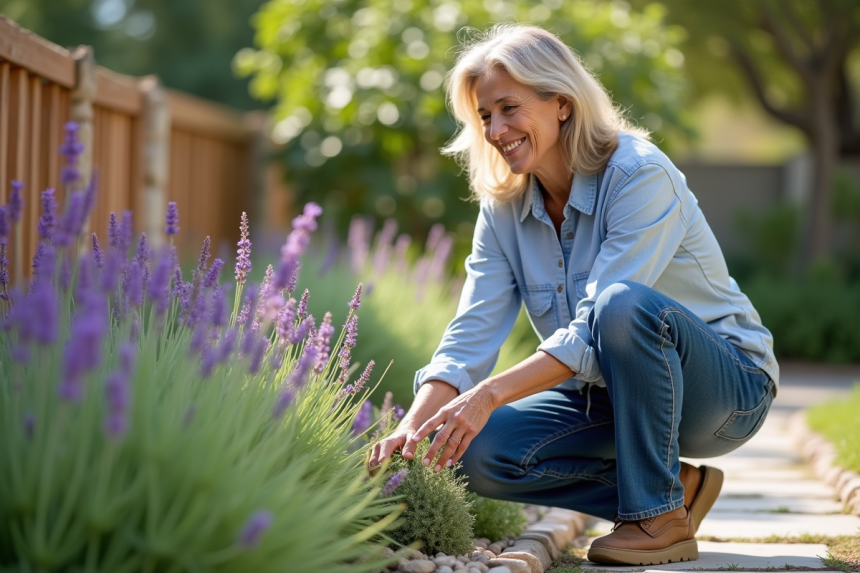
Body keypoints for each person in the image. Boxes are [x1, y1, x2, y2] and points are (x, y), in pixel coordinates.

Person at [368, 24, 778, 566]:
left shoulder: (638, 173)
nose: (495, 129)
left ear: (561, 104)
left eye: (509, 108)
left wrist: (489, 395)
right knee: (472, 452)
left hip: (725, 392)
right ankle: (670, 491)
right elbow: (471, 332)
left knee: (620, 304)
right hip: (609, 394)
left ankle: (654, 519)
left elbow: (598, 325)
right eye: (485, 116)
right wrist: (413, 429)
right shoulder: (504, 208)